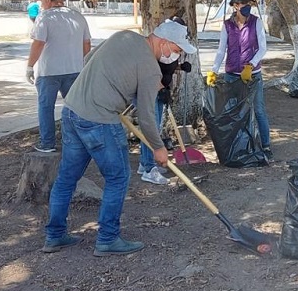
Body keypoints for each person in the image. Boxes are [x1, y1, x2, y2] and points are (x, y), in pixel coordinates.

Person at [42, 19, 197, 256]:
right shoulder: (150, 68)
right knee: (118, 177)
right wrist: (158, 148)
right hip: (99, 120)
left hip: (72, 111)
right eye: (176, 51)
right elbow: (146, 116)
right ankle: (107, 238)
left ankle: (54, 236)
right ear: (165, 42)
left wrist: (113, 85)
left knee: (66, 178)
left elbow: (88, 60)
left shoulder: (123, 36)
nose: (175, 57)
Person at [208, 0, 273, 161]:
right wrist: (214, 70)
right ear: (236, 6)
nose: (247, 8)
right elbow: (222, 50)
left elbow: (263, 47)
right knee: (234, 111)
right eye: (244, 5)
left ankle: (266, 145)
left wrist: (251, 65)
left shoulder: (256, 23)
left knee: (258, 109)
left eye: (249, 5)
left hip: (253, 75)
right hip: (231, 75)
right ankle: (238, 144)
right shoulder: (227, 25)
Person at [26, 0, 92, 153]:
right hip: (74, 69)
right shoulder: (77, 16)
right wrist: (85, 63)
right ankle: (76, 141)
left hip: (49, 71)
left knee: (46, 107)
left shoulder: (45, 17)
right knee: (75, 107)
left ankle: (47, 143)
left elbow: (38, 43)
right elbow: (86, 44)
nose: (40, 3)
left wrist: (29, 66)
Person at [138, 17, 193, 184]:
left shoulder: (172, 51)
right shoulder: (153, 51)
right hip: (152, 91)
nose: (178, 51)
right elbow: (151, 72)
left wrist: (180, 67)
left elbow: (168, 65)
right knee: (151, 126)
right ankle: (148, 168)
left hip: (163, 90)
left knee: (155, 124)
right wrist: (161, 89)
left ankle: (144, 163)